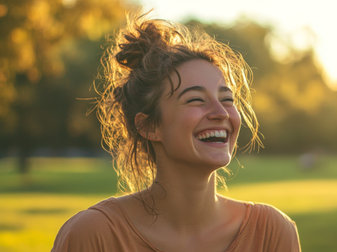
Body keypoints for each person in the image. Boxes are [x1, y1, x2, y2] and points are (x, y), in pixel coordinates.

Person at [52, 13, 301, 252]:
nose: (221, 113)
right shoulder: (94, 234)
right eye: (195, 100)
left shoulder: (271, 232)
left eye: (227, 99)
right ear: (149, 126)